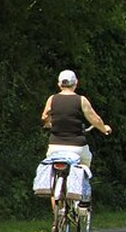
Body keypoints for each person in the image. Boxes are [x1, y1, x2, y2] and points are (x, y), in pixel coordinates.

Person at [41, 69, 111, 216]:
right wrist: (104, 128)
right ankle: (83, 201)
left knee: (53, 176)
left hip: (55, 146)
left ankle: (57, 213)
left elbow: (45, 117)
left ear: (59, 84)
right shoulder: (81, 100)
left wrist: (49, 124)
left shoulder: (52, 99)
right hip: (77, 146)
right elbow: (95, 119)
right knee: (85, 164)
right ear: (76, 83)